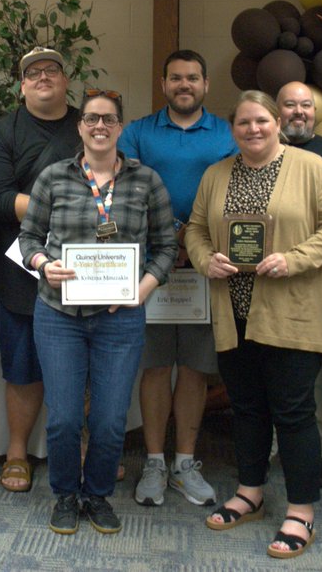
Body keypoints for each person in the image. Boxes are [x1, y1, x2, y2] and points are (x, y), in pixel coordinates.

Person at [184, 90, 322, 559]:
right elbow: (195, 229)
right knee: (248, 407)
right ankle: (250, 491)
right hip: (234, 315)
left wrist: (294, 259)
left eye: (261, 121)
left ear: (277, 122)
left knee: (294, 411)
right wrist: (203, 259)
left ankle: (300, 509)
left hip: (292, 309)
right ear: (232, 128)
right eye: (243, 123)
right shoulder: (217, 174)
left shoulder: (312, 168)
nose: (253, 130)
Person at [20, 88, 177, 535]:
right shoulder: (54, 176)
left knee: (109, 421)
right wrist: (43, 265)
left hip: (120, 317)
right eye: (92, 119)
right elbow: (29, 238)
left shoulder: (147, 181)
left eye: (109, 119)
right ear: (80, 126)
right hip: (58, 315)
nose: (100, 126)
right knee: (65, 417)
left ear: (121, 127)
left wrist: (141, 289)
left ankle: (99, 495)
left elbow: (167, 247)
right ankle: (67, 495)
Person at [119, 49, 235, 508]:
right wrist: (172, 239)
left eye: (192, 78)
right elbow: (125, 189)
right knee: (154, 366)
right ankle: (153, 462)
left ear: (205, 84)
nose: (183, 85)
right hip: (153, 270)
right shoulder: (139, 133)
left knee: (194, 368)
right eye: (175, 78)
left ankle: (185, 462)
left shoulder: (226, 134)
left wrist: (195, 242)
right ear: (163, 84)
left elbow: (233, 191)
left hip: (205, 268)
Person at [0, 47, 81, 493]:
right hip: (18, 264)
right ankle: (17, 450)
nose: (42, 77)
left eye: (51, 70)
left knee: (84, 362)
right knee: (21, 364)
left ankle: (79, 445)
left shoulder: (89, 123)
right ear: (21, 85)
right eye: (33, 73)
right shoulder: (3, 131)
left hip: (82, 262)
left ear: (64, 79)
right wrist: (64, 209)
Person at [275, 81, 322, 488]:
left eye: (306, 105)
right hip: (265, 281)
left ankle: (319, 452)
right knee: (267, 371)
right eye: (290, 105)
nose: (299, 112)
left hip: (318, 284)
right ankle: (268, 449)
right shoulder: (254, 154)